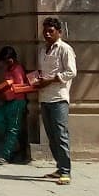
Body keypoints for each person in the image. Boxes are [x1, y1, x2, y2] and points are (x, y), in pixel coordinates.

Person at [30, 16, 76, 184]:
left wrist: (52, 79)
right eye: (45, 31)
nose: (47, 34)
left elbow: (71, 72)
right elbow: (42, 72)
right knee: (51, 135)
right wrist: (37, 80)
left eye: (51, 31)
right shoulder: (43, 50)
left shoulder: (65, 49)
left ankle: (66, 171)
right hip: (45, 97)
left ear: (59, 32)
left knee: (61, 134)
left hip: (59, 98)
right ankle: (59, 167)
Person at [0, 45, 35, 165]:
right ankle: (16, 143)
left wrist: (8, 88)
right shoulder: (7, 69)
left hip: (17, 101)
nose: (6, 62)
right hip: (7, 101)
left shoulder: (17, 69)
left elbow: (20, 86)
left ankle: (7, 155)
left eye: (8, 60)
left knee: (12, 129)